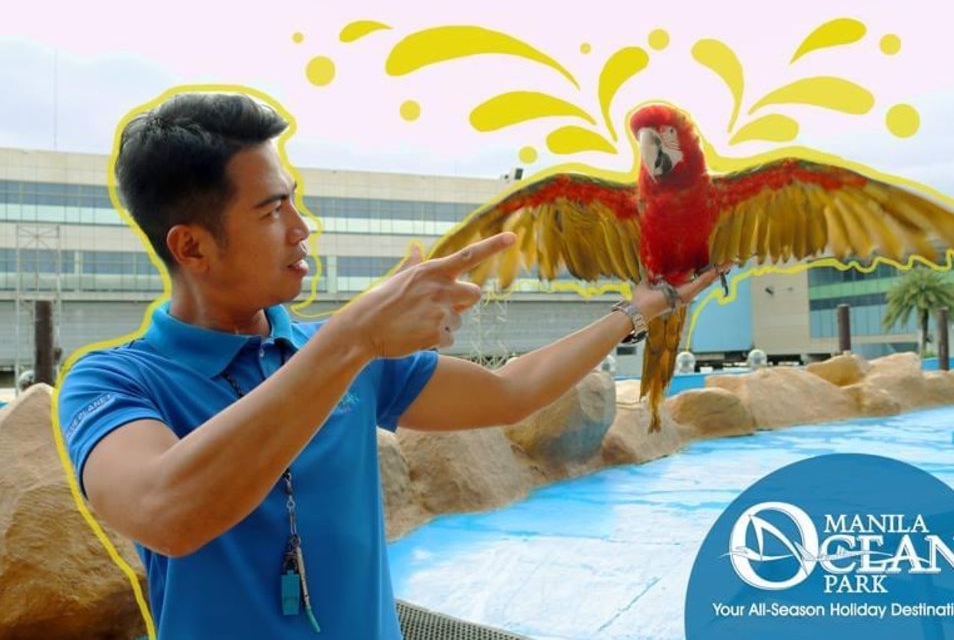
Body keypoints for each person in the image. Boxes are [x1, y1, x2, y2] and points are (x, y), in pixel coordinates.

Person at [57, 91, 727, 639]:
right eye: (271, 210)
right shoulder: (113, 381)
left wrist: (636, 312)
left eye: (293, 198)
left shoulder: (349, 351)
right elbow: (167, 512)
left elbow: (508, 392)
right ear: (192, 248)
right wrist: (352, 338)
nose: (302, 226)